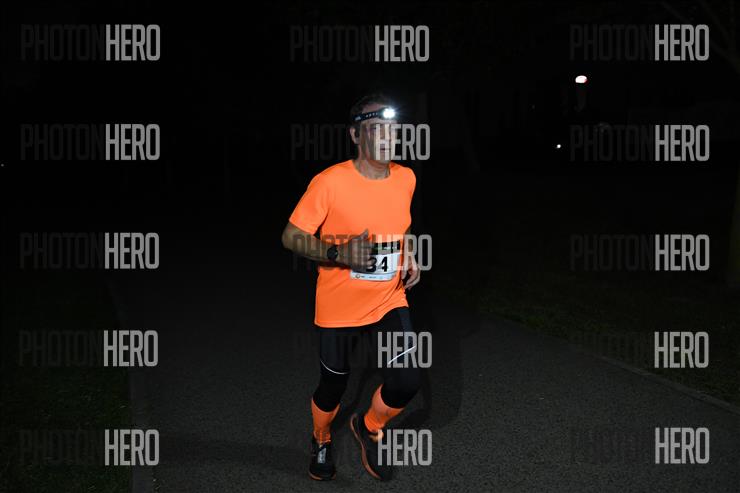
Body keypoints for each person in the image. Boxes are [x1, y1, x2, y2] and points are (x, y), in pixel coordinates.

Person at [281, 93, 422, 481]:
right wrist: (339, 254)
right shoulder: (329, 182)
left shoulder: (406, 177)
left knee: (407, 380)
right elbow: (291, 236)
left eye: (392, 129)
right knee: (333, 385)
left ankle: (369, 426)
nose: (387, 137)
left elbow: (403, 223)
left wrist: (408, 253)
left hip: (389, 297)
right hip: (339, 304)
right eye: (376, 129)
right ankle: (321, 436)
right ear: (356, 136)